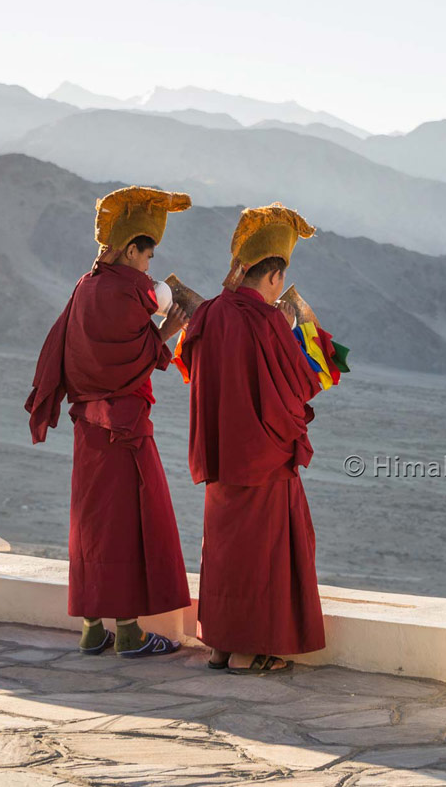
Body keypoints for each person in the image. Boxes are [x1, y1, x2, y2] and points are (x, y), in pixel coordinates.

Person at [25, 186, 192, 658]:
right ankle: (131, 633)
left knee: (91, 522)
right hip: (124, 428)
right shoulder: (128, 288)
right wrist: (168, 333)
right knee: (125, 522)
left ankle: (92, 628)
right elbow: (136, 360)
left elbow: (80, 352)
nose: (149, 265)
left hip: (88, 427)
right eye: (147, 254)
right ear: (132, 248)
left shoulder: (85, 285)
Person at [176, 203, 325, 674]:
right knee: (265, 556)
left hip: (220, 457)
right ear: (276, 276)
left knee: (223, 552)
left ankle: (220, 646)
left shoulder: (210, 315)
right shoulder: (268, 323)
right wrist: (294, 328)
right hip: (265, 460)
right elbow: (304, 385)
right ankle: (258, 649)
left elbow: (189, 364)